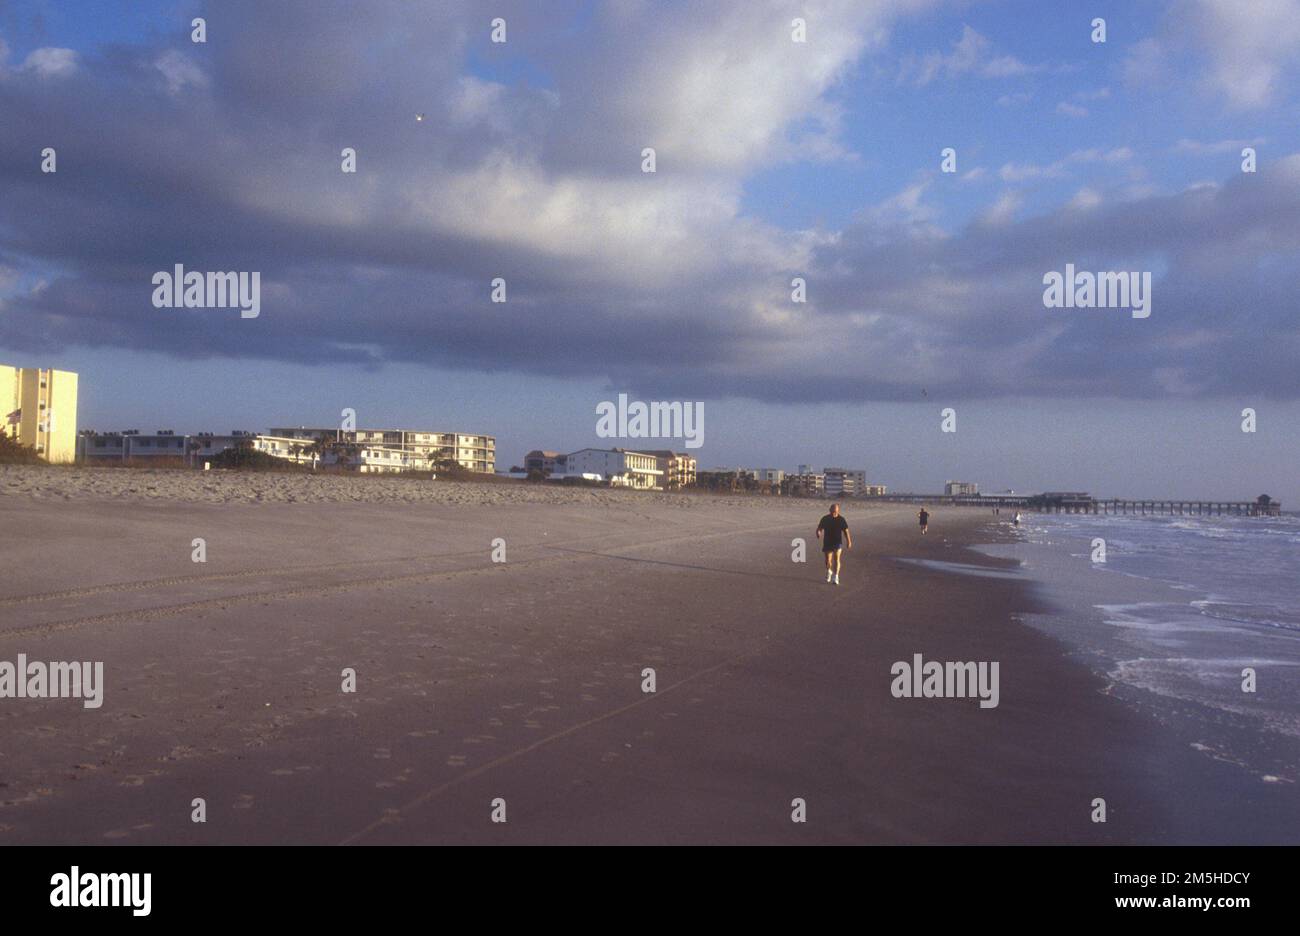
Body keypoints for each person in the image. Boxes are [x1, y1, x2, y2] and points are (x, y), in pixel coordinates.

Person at [815, 503, 851, 585]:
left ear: (838, 511)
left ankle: (836, 577)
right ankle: (829, 571)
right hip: (827, 542)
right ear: (829, 510)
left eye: (835, 511)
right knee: (828, 561)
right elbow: (819, 528)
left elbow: (846, 531)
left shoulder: (841, 519)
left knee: (837, 559)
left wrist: (849, 541)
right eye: (832, 511)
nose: (833, 513)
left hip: (837, 542)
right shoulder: (825, 518)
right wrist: (818, 532)